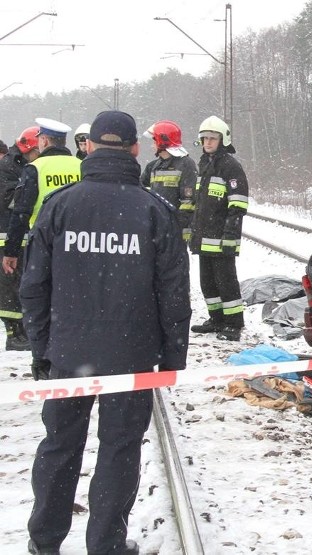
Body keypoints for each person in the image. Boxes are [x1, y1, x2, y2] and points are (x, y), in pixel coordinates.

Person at [20, 110, 191, 555]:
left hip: (69, 351)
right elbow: (174, 293)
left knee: (60, 445)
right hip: (131, 355)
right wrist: (173, 359)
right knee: (119, 449)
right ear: (135, 149)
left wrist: (43, 348)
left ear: (90, 147)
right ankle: (106, 545)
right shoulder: (155, 210)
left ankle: (45, 540)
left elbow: (33, 285)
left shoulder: (60, 206)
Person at [188, 116, 248, 341]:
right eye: (204, 138)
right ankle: (216, 319)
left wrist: (230, 233)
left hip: (222, 238)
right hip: (204, 237)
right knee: (208, 283)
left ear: (223, 140)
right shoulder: (204, 164)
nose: (208, 142)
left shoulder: (230, 166)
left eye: (213, 138)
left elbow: (238, 203)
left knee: (226, 283)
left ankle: (233, 324)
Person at [2, 118, 82, 276]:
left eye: (39, 138)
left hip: (43, 242)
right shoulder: (81, 165)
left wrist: (11, 251)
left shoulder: (35, 169)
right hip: (77, 243)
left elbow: (21, 212)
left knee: (37, 292)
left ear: (44, 141)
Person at [0, 127, 40, 350]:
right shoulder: (7, 167)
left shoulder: (27, 165)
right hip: (7, 237)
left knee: (22, 287)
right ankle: (14, 334)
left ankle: (23, 332)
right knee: (10, 289)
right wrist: (28, 192)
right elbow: (9, 200)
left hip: (25, 235)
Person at [140, 120, 198, 240]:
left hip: (177, 234)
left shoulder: (186, 165)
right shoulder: (153, 166)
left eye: (154, 141)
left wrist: (175, 227)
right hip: (158, 230)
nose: (152, 145)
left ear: (163, 141)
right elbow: (139, 188)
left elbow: (188, 203)